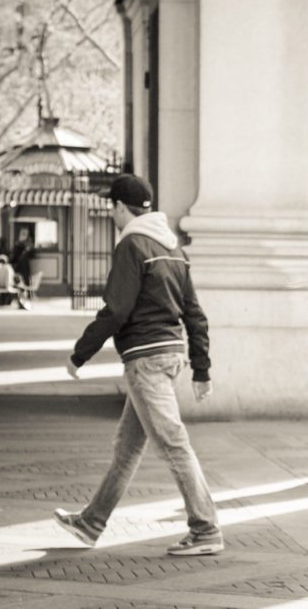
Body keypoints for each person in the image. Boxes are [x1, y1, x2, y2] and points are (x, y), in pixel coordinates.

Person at [52, 174, 222, 557]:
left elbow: (117, 308)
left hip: (145, 359)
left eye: (110, 208)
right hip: (169, 355)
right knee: (126, 449)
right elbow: (194, 312)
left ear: (118, 207)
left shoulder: (132, 245)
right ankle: (91, 522)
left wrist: (80, 353)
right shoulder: (173, 248)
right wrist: (201, 369)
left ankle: (205, 528)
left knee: (174, 445)